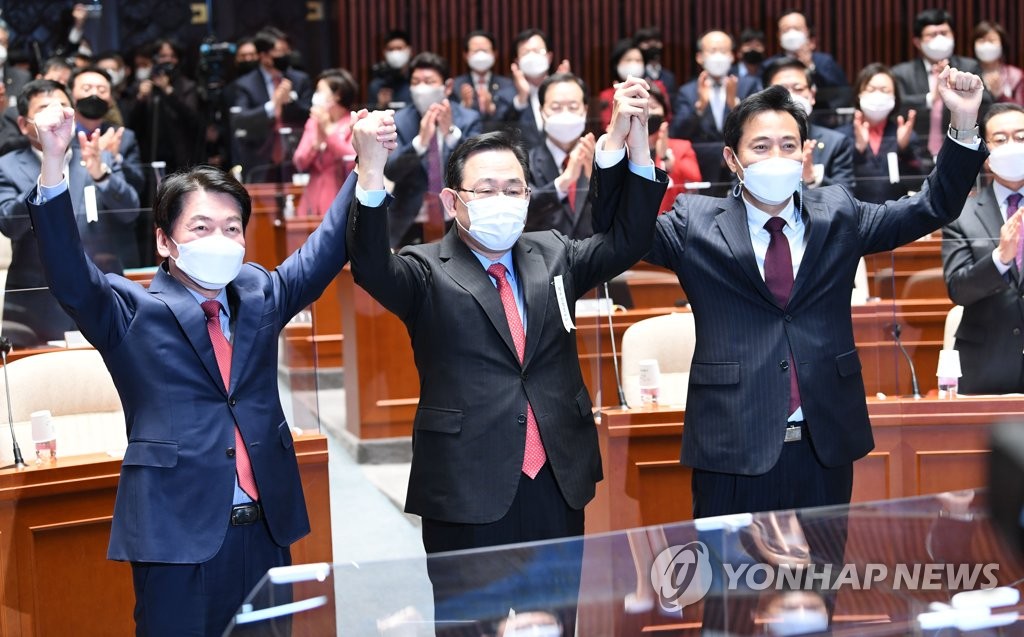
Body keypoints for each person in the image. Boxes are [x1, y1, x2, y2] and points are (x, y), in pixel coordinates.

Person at [25, 97, 375, 636]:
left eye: (232, 229)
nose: (221, 241)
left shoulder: (259, 291)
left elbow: (325, 251)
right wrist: (54, 163)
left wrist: (365, 166)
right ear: (165, 241)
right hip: (175, 533)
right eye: (201, 228)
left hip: (264, 529)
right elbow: (71, 275)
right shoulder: (132, 310)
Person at [346, 77, 666, 630]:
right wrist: (371, 168)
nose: (503, 200)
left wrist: (629, 143)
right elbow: (372, 265)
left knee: (555, 621)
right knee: (470, 625)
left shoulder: (553, 251)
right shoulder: (425, 269)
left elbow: (628, 240)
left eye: (513, 189)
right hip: (466, 484)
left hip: (555, 477)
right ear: (452, 201)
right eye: (485, 189)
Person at [592, 70, 985, 518]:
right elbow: (618, 233)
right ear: (732, 158)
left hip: (824, 444)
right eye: (760, 147)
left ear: (803, 155)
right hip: (732, 449)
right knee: (732, 586)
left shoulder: (839, 212)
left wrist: (965, 121)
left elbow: (931, 206)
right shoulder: (693, 222)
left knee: (818, 582)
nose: (775, 156)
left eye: (787, 146)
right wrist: (618, 147)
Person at [0, 79, 140, 346]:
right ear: (22, 124)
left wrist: (101, 174)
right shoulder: (6, 166)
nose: (56, 115)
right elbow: (9, 224)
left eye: (62, 106)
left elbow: (131, 212)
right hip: (37, 304)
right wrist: (49, 169)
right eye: (44, 109)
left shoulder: (97, 155)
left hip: (102, 294)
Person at [942, 103, 1024, 394]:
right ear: (986, 155)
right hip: (986, 368)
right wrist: (1000, 259)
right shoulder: (960, 214)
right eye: (1001, 139)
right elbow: (958, 290)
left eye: (1021, 137)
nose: (1012, 146)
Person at [384, 52, 482, 247]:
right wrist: (419, 143)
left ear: (447, 86)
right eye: (416, 81)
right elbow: (392, 171)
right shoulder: (399, 120)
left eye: (429, 81)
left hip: (457, 219)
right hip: (410, 221)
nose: (422, 88)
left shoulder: (468, 118)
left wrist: (451, 133)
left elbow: (478, 166)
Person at [892, 8, 990, 158]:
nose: (939, 38)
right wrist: (931, 98)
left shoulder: (969, 67)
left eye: (944, 33)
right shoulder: (901, 73)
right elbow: (897, 106)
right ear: (917, 42)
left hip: (959, 151)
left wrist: (962, 92)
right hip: (914, 156)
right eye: (932, 35)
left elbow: (987, 101)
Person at [670, 30, 760, 192]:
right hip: (703, 168)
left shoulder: (748, 85)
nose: (718, 56)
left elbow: (759, 126)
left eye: (724, 51)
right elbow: (677, 133)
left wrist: (735, 106)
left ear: (732, 56)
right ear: (700, 57)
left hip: (741, 167)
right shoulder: (688, 91)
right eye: (712, 51)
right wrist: (700, 107)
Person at [230, 29, 313, 182]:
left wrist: (290, 101)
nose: (285, 55)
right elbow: (240, 119)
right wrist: (273, 105)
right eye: (279, 52)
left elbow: (310, 114)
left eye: (286, 51)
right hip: (260, 159)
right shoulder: (245, 84)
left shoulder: (300, 80)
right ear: (264, 56)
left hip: (295, 157)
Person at [839, 63, 929, 203]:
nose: (878, 95)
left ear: (894, 97)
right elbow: (837, 184)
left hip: (894, 215)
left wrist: (903, 149)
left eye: (885, 90)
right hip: (853, 215)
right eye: (871, 89)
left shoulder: (905, 135)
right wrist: (857, 150)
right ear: (858, 94)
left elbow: (918, 184)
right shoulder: (840, 136)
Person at [763, 57, 855, 190]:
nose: (791, 96)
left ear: (812, 94)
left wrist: (812, 178)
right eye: (782, 90)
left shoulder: (836, 143)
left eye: (798, 88)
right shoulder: (755, 143)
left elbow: (846, 199)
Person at [525, 72, 597, 238]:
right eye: (556, 107)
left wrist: (595, 179)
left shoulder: (603, 159)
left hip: (595, 258)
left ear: (585, 110)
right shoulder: (525, 161)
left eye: (573, 107)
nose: (565, 114)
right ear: (542, 111)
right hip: (544, 258)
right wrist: (563, 182)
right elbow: (523, 211)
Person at [129, 38, 205, 176]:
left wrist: (169, 92)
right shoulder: (144, 85)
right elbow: (131, 124)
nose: (168, 60)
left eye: (172, 56)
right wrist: (141, 98)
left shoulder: (187, 86)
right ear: (155, 58)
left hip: (180, 155)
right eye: (163, 56)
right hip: (150, 154)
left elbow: (193, 120)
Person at [70, 66, 146, 199]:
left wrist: (116, 158)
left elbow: (138, 184)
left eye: (102, 90)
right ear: (71, 94)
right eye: (87, 89)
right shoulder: (61, 137)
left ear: (110, 99)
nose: (95, 94)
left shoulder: (124, 137)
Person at [292, 68, 358, 216]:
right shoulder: (313, 122)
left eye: (320, 91)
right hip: (311, 197)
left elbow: (351, 160)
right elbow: (299, 161)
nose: (315, 96)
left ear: (337, 95)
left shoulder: (353, 122)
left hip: (340, 195)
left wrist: (329, 131)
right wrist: (315, 144)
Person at [506, 28, 571, 151]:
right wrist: (521, 98)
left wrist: (563, 89)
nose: (532, 56)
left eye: (537, 51)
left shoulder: (565, 88)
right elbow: (501, 129)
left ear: (549, 57)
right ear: (517, 61)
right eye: (525, 52)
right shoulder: (506, 93)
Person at [648, 85, 702, 212]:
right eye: (642, 108)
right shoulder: (623, 150)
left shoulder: (682, 147)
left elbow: (694, 182)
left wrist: (666, 158)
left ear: (665, 115)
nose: (648, 112)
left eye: (653, 107)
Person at [767, 10, 848, 91]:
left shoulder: (825, 62)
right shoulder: (769, 65)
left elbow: (839, 92)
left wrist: (810, 66)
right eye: (785, 30)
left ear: (808, 31)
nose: (791, 33)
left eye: (797, 28)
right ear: (778, 36)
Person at [451, 29, 516, 129]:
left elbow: (512, 119)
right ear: (466, 55)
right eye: (475, 51)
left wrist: (491, 109)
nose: (480, 55)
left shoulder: (507, 85)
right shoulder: (455, 85)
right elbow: (452, 122)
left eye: (485, 50)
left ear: (494, 54)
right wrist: (464, 107)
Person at [599, 39, 668, 131]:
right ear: (617, 63)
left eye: (638, 60)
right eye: (628, 60)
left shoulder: (657, 87)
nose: (634, 64)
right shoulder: (606, 95)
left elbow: (667, 118)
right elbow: (607, 126)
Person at [973, 21, 1024, 105]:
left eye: (991, 40)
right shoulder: (968, 71)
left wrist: (1000, 95)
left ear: (1002, 45)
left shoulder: (1015, 75)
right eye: (981, 41)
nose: (986, 45)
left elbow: (1021, 111)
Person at [368, 29, 414, 109]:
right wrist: (380, 106)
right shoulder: (377, 86)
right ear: (384, 52)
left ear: (409, 50)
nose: (395, 53)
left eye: (399, 48)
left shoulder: (416, 81)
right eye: (391, 49)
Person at [634, 26, 678, 99]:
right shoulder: (634, 76)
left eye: (656, 42)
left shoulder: (669, 77)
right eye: (647, 42)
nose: (653, 46)